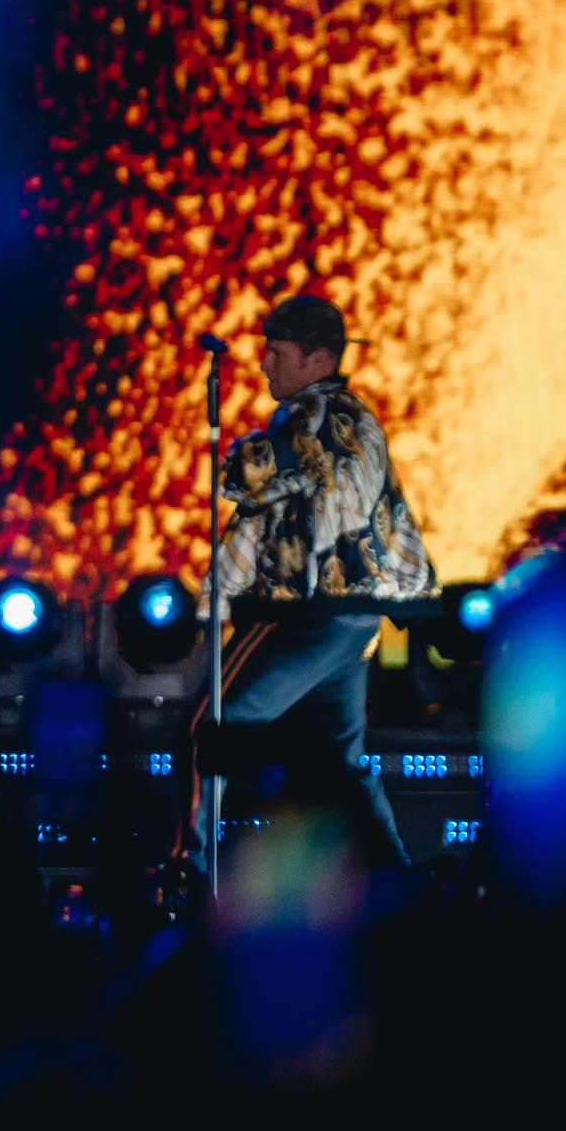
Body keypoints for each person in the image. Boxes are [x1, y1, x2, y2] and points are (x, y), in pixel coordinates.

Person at [201, 292, 433, 867]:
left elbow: (241, 477)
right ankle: (404, 885)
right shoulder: (353, 417)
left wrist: (230, 453)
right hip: (351, 619)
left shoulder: (317, 415)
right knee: (342, 763)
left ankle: (188, 870)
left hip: (304, 616)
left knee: (210, 727)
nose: (264, 364)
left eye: (276, 353)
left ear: (318, 358)